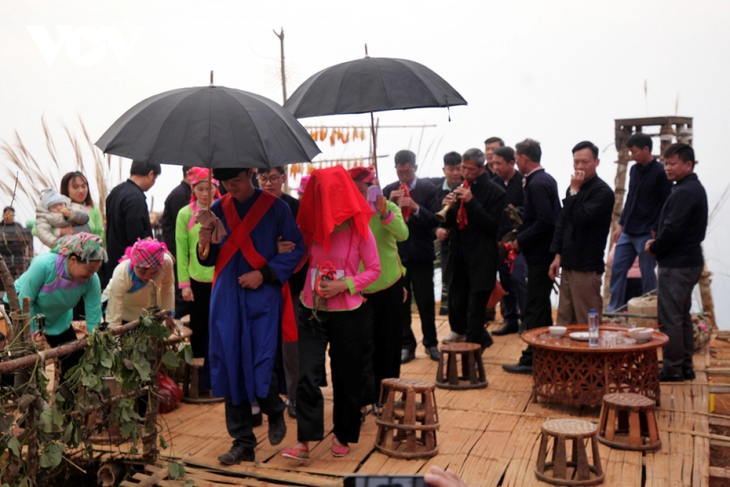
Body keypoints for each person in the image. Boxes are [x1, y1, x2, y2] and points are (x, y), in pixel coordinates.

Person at [197, 167, 304, 465]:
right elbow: (207, 261)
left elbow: (297, 250)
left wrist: (265, 273)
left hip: (262, 294)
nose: (233, 188)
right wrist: (204, 241)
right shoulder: (216, 209)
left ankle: (274, 407)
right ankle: (242, 442)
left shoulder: (277, 207)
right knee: (230, 364)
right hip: (227, 296)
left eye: (238, 182)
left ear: (251, 174)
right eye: (227, 184)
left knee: (262, 359)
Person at [281, 166, 380, 461]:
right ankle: (305, 440)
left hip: (349, 313)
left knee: (346, 376)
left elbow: (375, 270)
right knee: (307, 375)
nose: (325, 202)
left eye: (330, 196)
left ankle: (342, 434)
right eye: (319, 196)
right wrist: (286, 251)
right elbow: (299, 263)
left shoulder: (359, 229)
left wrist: (345, 284)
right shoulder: (309, 230)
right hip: (311, 310)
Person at [645, 143, 707, 382]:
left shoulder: (685, 191)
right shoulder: (690, 188)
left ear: (688, 165)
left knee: (670, 318)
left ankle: (672, 369)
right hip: (688, 261)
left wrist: (654, 247)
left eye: (672, 163)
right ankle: (685, 366)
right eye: (666, 163)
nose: (667, 168)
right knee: (681, 317)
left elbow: (672, 229)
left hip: (678, 263)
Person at [349, 165, 408, 411]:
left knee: (390, 343)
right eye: (355, 189)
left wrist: (384, 214)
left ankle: (386, 395)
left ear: (373, 188)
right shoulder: (350, 212)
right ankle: (366, 396)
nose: (360, 193)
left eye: (363, 189)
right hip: (359, 288)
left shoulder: (387, 209)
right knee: (363, 344)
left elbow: (403, 234)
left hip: (390, 284)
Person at [4, 233, 106, 376]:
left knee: (73, 358)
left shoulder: (91, 280)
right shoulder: (44, 265)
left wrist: (97, 341)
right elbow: (25, 300)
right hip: (21, 309)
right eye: (89, 270)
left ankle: (65, 397)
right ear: (72, 261)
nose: (92, 274)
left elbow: (94, 312)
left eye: (96, 270)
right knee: (29, 362)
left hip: (57, 316)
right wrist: (32, 331)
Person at [503, 139, 561, 375]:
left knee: (534, 306)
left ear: (524, 158)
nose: (516, 162)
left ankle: (532, 357)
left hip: (540, 254)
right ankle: (544, 353)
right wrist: (519, 230)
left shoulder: (537, 184)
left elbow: (545, 221)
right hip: (543, 252)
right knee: (540, 305)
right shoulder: (544, 179)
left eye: (516, 157)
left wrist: (520, 242)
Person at [440, 149, 504, 350]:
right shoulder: (460, 186)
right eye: (463, 168)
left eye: (470, 169)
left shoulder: (496, 192)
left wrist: (471, 201)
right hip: (459, 257)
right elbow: (452, 223)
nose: (465, 173)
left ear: (482, 168)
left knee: (476, 311)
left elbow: (491, 225)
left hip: (481, 259)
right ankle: (480, 339)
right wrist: (447, 208)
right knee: (457, 304)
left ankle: (473, 357)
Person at [258, 165, 308, 419]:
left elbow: (302, 244)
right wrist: (273, 248)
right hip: (262, 285)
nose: (268, 183)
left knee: (292, 345)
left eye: (273, 178)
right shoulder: (251, 207)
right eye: (263, 178)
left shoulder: (294, 206)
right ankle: (262, 398)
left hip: (293, 284)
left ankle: (294, 396)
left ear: (283, 178)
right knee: (263, 344)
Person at [382, 150, 441, 363]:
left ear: (415, 167)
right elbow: (381, 223)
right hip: (398, 255)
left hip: (421, 253)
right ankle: (406, 344)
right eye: (399, 171)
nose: (403, 176)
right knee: (401, 303)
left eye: (407, 171)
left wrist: (415, 207)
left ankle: (431, 342)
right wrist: (389, 204)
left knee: (425, 301)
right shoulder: (389, 190)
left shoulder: (428, 188)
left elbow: (435, 220)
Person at [548, 141, 614, 325]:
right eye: (576, 162)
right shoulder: (573, 189)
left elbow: (580, 219)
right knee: (564, 320)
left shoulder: (603, 192)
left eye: (584, 162)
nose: (579, 167)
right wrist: (557, 254)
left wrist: (574, 191)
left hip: (586, 266)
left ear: (597, 162)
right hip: (568, 262)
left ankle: (590, 355)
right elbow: (562, 222)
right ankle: (566, 355)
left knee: (586, 321)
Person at [608, 133, 672, 311]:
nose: (632, 155)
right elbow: (631, 197)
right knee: (617, 270)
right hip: (629, 230)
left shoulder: (660, 171)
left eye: (634, 151)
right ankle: (614, 311)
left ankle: (650, 311)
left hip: (647, 231)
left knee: (647, 275)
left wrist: (656, 228)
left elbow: (665, 203)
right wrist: (621, 224)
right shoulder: (634, 170)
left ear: (646, 149)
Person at [174, 167, 219, 392]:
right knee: (199, 328)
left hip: (220, 279)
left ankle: (221, 375)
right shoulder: (185, 214)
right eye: (200, 189)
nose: (205, 193)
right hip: (196, 279)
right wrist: (184, 285)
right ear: (193, 189)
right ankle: (202, 383)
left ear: (216, 188)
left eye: (209, 188)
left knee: (220, 326)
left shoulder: (223, 210)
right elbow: (182, 251)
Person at [101, 160, 161, 289]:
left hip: (114, 262)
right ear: (150, 174)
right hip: (131, 269)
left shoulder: (115, 192)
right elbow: (136, 237)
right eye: (154, 178)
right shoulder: (136, 198)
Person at [490, 147, 528, 336]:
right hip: (498, 241)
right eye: (493, 163)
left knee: (519, 279)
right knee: (505, 281)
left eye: (498, 163)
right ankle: (510, 319)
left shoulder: (523, 182)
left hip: (519, 241)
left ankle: (525, 320)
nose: (494, 167)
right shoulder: (493, 183)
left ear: (511, 163)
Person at [103, 238, 175, 327]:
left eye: (153, 273)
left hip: (149, 311)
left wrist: (168, 316)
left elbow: (167, 287)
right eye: (141, 272)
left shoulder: (166, 262)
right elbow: (114, 311)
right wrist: (113, 334)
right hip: (124, 312)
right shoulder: (122, 273)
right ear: (134, 265)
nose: (146, 277)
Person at [430, 151, 463, 324]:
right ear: (444, 170)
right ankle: (454, 323)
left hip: (465, 244)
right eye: (452, 169)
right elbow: (430, 216)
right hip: (446, 245)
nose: (456, 173)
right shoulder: (436, 191)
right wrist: (437, 230)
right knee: (448, 281)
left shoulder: (468, 188)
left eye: (459, 168)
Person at [161, 166, 193, 320]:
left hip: (186, 254)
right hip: (176, 252)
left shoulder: (187, 193)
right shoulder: (179, 195)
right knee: (181, 296)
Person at [59, 172, 105, 241]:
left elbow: (100, 234)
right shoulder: (58, 208)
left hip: (91, 250)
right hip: (64, 251)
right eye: (75, 187)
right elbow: (38, 227)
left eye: (84, 186)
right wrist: (61, 231)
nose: (81, 190)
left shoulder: (93, 209)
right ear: (66, 189)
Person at [0, 207, 32, 284]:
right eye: (7, 214)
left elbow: (27, 241)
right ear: (3, 215)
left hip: (18, 258)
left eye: (11, 215)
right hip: (3, 258)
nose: (9, 217)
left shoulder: (18, 227)